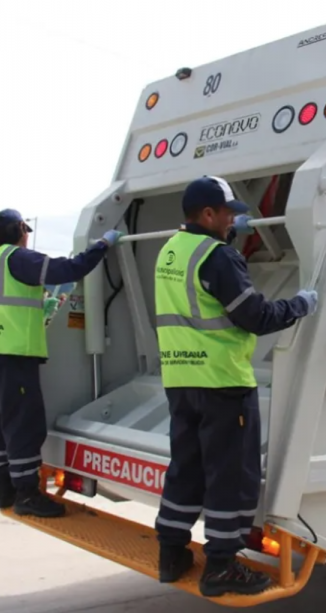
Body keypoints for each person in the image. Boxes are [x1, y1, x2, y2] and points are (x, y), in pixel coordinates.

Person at [152, 175, 316, 597]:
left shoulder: (170, 250)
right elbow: (256, 316)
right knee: (230, 476)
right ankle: (221, 567)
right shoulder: (218, 256)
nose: (232, 222)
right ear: (208, 214)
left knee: (185, 468)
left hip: (181, 380)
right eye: (228, 214)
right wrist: (301, 304)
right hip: (222, 383)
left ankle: (171, 553)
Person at [0, 208, 122, 518]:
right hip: (14, 356)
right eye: (25, 228)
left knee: (0, 429)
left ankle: (4, 491)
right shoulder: (17, 258)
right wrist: (102, 246)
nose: (27, 234)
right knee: (24, 428)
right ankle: (27, 494)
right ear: (17, 230)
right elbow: (67, 270)